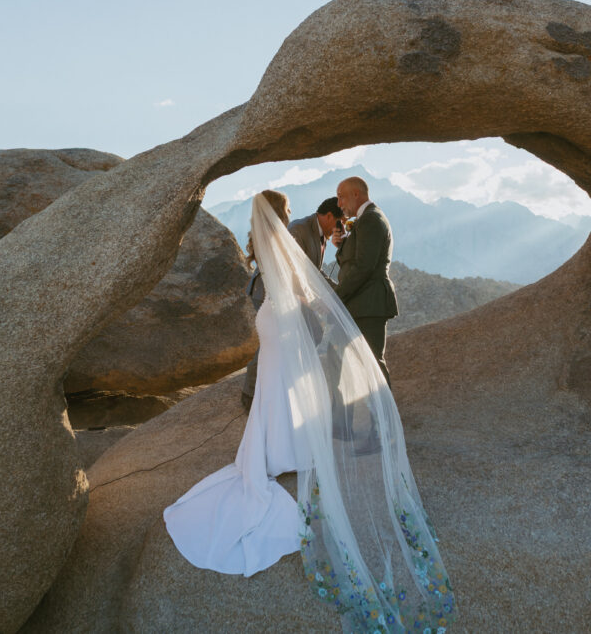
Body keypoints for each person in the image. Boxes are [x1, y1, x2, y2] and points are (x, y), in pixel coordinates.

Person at [164, 190, 456, 633]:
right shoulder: (290, 234)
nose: (289, 213)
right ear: (280, 212)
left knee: (274, 387)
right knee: (282, 383)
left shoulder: (269, 236)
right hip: (281, 319)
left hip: (270, 318)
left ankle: (276, 446)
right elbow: (298, 286)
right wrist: (322, 306)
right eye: (285, 208)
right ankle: (290, 448)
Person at [240, 197, 344, 410]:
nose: (341, 227)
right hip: (269, 289)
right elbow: (293, 271)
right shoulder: (299, 230)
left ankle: (285, 377)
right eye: (340, 222)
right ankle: (250, 392)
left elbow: (315, 272)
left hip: (289, 292)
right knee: (273, 339)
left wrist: (338, 291)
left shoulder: (322, 235)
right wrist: (312, 301)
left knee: (312, 332)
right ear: (329, 216)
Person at [333, 177, 398, 384]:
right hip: (362, 304)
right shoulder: (366, 219)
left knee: (373, 363)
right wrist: (342, 244)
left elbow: (364, 267)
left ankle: (385, 416)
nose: (339, 204)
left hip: (369, 305)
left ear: (356, 194)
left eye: (341, 197)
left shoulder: (370, 219)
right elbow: (358, 260)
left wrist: (335, 297)